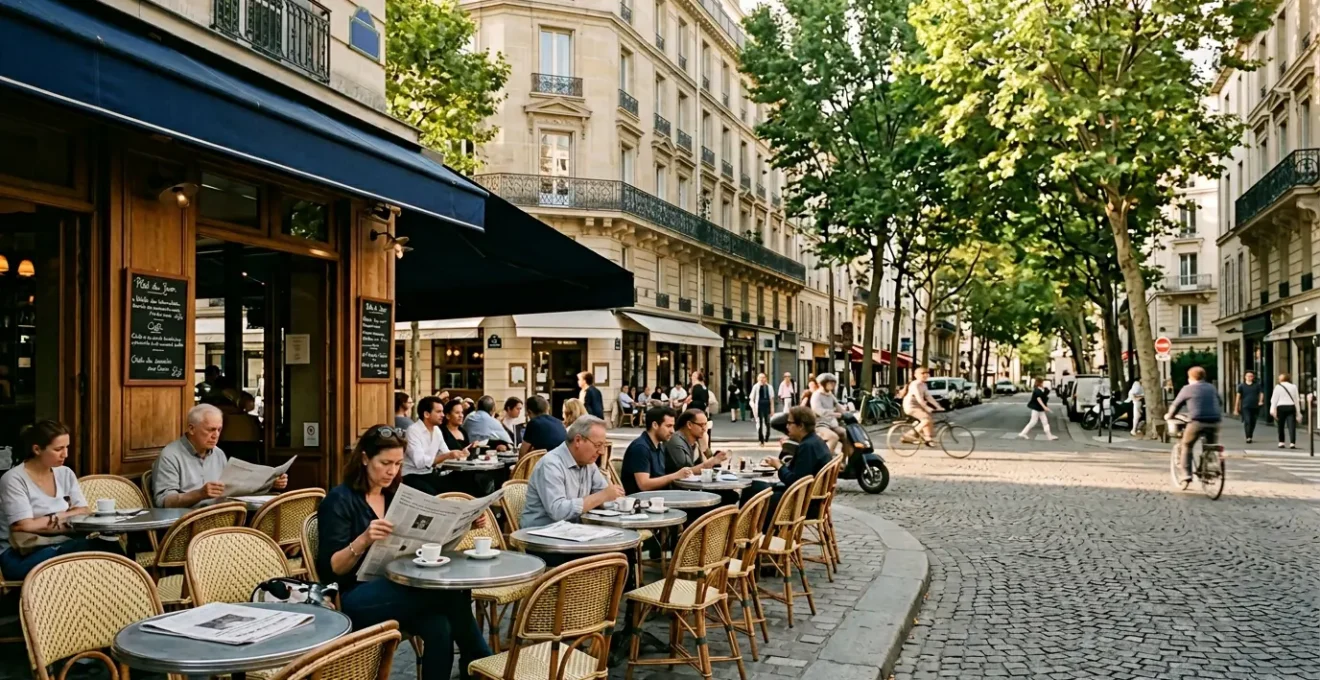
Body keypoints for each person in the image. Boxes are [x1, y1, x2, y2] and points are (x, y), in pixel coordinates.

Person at [318, 426, 490, 680]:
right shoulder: (340, 500)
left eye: (398, 464)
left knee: (440, 626)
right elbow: (332, 568)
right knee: (451, 593)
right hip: (355, 596)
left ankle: (474, 661)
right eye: (385, 463)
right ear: (365, 458)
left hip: (401, 586)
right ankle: (479, 658)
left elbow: (428, 540)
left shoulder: (396, 495)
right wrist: (364, 540)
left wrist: (464, 524)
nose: (392, 471)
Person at [0, 421, 121, 580]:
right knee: (97, 549)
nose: (65, 454)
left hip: (61, 542)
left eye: (67, 447)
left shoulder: (65, 473)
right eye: (58, 449)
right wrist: (65, 515)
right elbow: (23, 525)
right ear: (37, 449)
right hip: (20, 554)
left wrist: (52, 519)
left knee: (108, 546)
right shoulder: (14, 479)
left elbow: (83, 510)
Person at [153, 404, 287, 508]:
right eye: (210, 429)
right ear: (191, 429)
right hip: (186, 523)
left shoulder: (218, 453)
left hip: (220, 517)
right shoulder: (170, 456)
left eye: (219, 429)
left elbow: (233, 489)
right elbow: (164, 501)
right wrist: (200, 494)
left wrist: (270, 483)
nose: (216, 435)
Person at [521, 415, 625, 529]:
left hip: (573, 532)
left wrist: (617, 500)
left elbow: (605, 494)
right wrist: (603, 496)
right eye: (598, 445)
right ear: (578, 440)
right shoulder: (551, 464)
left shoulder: (588, 463)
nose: (601, 451)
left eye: (603, 446)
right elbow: (558, 511)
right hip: (542, 535)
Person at [740, 407, 832, 525]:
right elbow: (801, 471)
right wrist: (782, 464)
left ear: (801, 426)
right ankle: (747, 530)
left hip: (803, 503)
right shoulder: (815, 441)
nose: (787, 426)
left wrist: (779, 466)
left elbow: (794, 481)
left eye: (789, 423)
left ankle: (748, 531)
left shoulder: (807, 446)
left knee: (753, 491)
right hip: (809, 498)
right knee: (754, 486)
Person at [621, 406, 694, 495]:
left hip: (658, 498)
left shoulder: (659, 446)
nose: (672, 431)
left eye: (673, 426)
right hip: (642, 502)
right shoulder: (640, 448)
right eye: (668, 426)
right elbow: (644, 485)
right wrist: (675, 475)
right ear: (655, 425)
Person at [402, 396, 466, 494]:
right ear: (426, 414)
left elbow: (446, 453)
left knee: (460, 486)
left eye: (443, 411)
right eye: (439, 412)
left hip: (429, 473)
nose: (443, 415)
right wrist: (447, 455)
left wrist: (462, 455)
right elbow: (419, 462)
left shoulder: (437, 430)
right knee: (434, 494)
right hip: (411, 475)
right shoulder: (413, 431)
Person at [1169, 366, 1221, 482]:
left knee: (1187, 445)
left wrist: (1169, 415)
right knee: (1210, 446)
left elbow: (1176, 405)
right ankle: (1209, 468)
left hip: (1197, 422)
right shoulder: (1211, 388)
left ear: (1190, 377)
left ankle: (1186, 474)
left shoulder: (1187, 389)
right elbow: (1219, 402)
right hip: (1214, 421)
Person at [664, 409, 728, 474]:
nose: (704, 429)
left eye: (705, 424)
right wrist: (711, 460)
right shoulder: (676, 441)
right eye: (701, 425)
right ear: (689, 425)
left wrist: (705, 447)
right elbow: (686, 472)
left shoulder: (696, 441)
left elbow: (707, 467)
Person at [810, 373, 850, 454]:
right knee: (833, 437)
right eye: (830, 382)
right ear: (823, 383)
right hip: (820, 424)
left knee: (846, 434)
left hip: (832, 424)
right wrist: (834, 414)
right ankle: (826, 460)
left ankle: (843, 461)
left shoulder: (830, 395)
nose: (833, 385)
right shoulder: (817, 395)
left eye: (834, 382)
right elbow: (817, 409)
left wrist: (846, 411)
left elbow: (837, 405)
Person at [902, 368, 944, 444]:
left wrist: (938, 406)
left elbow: (929, 397)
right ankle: (909, 435)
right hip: (911, 406)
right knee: (926, 419)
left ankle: (928, 438)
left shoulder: (924, 385)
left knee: (928, 418)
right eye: (922, 373)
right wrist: (927, 407)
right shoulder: (915, 384)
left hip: (918, 406)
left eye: (927, 373)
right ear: (916, 375)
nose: (925, 375)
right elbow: (919, 398)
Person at [1270, 372, 1300, 449]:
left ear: (1281, 379)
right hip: (1291, 406)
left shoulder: (1278, 387)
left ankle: (1281, 442)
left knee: (1281, 425)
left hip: (1281, 407)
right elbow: (1296, 399)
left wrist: (1272, 409)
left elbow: (1274, 399)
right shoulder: (1293, 386)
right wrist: (1298, 412)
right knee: (1292, 426)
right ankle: (1292, 443)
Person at [1234, 371, 1264, 444]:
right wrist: (1236, 408)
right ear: (1245, 377)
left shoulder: (1257, 385)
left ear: (1253, 377)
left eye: (1251, 376)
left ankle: (1250, 435)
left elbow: (1261, 393)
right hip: (1245, 406)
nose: (1249, 377)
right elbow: (1238, 397)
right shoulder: (1241, 386)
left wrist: (1260, 401)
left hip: (1255, 406)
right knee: (1247, 421)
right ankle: (1248, 437)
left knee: (1253, 422)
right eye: (1248, 376)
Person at [750, 373, 775, 445]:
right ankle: (761, 439)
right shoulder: (755, 387)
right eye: (760, 378)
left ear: (766, 379)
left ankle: (767, 436)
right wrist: (753, 406)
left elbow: (771, 398)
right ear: (758, 379)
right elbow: (752, 398)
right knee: (760, 423)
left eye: (763, 377)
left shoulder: (769, 387)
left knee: (768, 422)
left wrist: (772, 408)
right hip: (759, 406)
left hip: (767, 406)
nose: (762, 379)